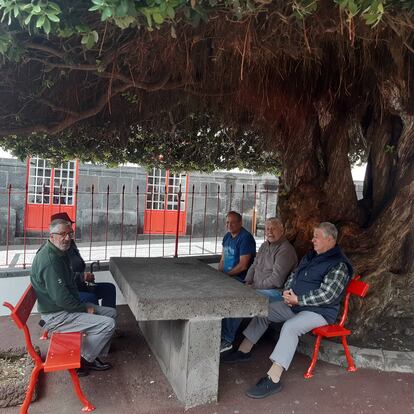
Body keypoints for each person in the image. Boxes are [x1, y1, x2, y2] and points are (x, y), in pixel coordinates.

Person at [222, 222, 353, 399]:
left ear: (329, 240)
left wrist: (298, 299)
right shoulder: (312, 255)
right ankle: (243, 351)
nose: (312, 239)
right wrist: (288, 291)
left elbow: (328, 295)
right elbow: (294, 274)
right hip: (296, 304)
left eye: (316, 237)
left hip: (319, 312)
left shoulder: (338, 264)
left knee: (290, 327)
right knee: (264, 311)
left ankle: (273, 378)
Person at [31, 218, 116, 376]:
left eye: (70, 233)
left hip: (64, 308)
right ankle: (83, 361)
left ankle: (92, 353)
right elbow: (61, 299)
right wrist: (84, 308)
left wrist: (82, 278)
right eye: (63, 234)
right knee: (108, 324)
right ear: (52, 236)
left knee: (111, 313)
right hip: (57, 316)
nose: (67, 238)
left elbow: (68, 278)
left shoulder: (58, 252)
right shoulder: (50, 260)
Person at [220, 217, 297, 353]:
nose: (269, 232)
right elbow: (254, 266)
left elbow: (276, 281)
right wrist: (247, 282)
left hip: (275, 292)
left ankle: (227, 339)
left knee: (241, 299)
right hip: (255, 286)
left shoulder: (285, 250)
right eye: (267, 229)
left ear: (282, 230)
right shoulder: (264, 245)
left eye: (273, 228)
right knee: (228, 290)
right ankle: (222, 331)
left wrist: (253, 287)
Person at [50, 212, 117, 309]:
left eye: (70, 232)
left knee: (109, 289)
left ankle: (109, 318)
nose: (69, 235)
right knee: (91, 298)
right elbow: (60, 278)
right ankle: (100, 322)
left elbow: (78, 264)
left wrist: (85, 276)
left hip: (78, 285)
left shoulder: (70, 244)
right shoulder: (54, 252)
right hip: (67, 292)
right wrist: (82, 277)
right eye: (64, 232)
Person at [219, 211, 256, 352]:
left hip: (240, 279)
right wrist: (219, 274)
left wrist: (226, 276)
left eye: (233, 222)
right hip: (227, 277)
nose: (229, 225)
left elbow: (243, 265)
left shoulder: (245, 238)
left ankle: (227, 339)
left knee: (230, 298)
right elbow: (222, 259)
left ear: (240, 223)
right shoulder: (227, 236)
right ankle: (218, 331)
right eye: (227, 222)